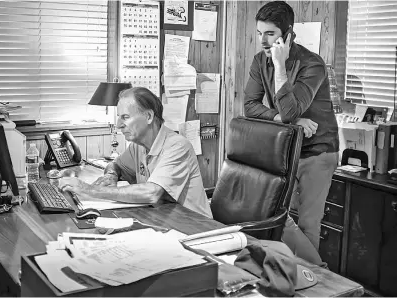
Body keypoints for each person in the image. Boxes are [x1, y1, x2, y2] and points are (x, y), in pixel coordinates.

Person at [243, 1, 339, 265]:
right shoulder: (258, 61)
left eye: (270, 33)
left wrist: (280, 66)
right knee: (276, 214)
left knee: (308, 224)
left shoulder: (313, 65)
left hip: (318, 151)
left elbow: (288, 111)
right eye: (259, 32)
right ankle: (298, 270)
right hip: (287, 147)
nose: (262, 40)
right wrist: (287, 119)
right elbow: (250, 106)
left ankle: (316, 279)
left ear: (287, 34)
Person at [60, 87, 212, 218]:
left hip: (195, 227)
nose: (119, 125)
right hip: (162, 219)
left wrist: (89, 189)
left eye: (125, 117)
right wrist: (111, 175)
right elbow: (116, 164)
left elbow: (152, 193)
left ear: (149, 117)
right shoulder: (138, 146)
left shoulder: (177, 146)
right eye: (119, 117)